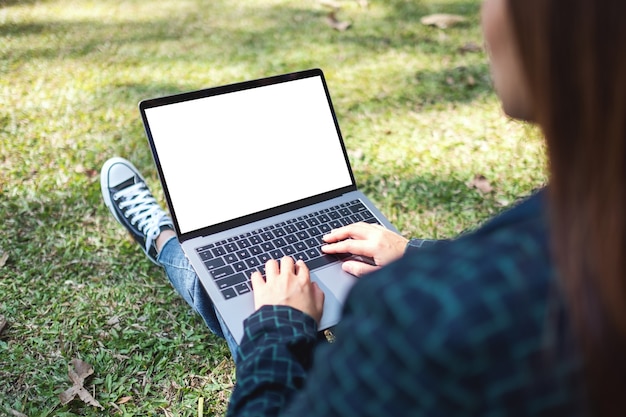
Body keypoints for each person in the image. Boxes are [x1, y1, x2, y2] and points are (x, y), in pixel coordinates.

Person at [101, 0, 626, 415]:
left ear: (562, 28)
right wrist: (414, 253)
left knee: (255, 310)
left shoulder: (421, 309)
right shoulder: (578, 226)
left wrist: (280, 325)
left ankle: (167, 242)